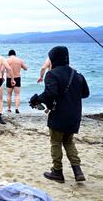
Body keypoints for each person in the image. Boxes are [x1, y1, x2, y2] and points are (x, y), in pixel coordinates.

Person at [30, 46, 89, 183]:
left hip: (59, 115)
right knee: (68, 141)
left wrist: (37, 99)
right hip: (74, 115)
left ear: (53, 58)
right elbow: (85, 94)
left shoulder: (52, 74)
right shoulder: (77, 74)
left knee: (56, 142)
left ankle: (57, 172)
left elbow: (51, 93)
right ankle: (77, 170)